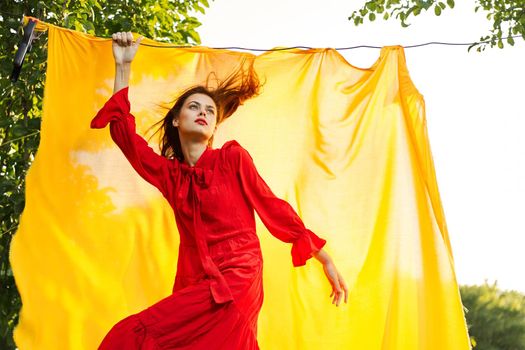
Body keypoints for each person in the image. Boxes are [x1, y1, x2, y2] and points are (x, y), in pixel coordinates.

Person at [90, 31, 348, 350]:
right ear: (175, 121)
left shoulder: (231, 158)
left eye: (210, 111)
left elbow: (271, 206)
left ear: (213, 128)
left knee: (133, 336)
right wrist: (123, 67)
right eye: (194, 107)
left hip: (239, 276)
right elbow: (125, 136)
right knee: (131, 337)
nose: (203, 112)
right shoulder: (172, 177)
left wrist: (323, 257)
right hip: (199, 282)